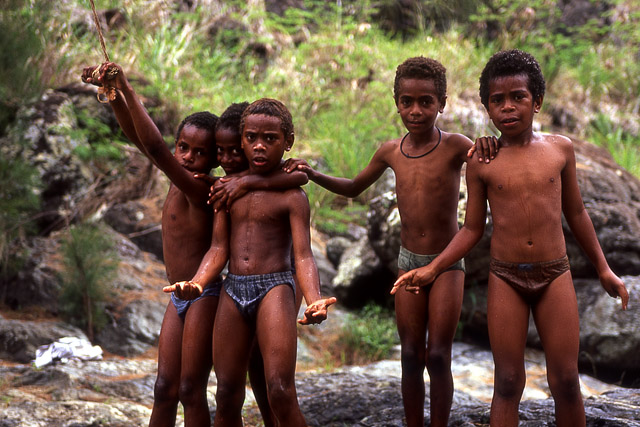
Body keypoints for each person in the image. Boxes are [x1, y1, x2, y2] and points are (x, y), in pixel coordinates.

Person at [391, 49, 629, 427]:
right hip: (506, 277)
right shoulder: (482, 160)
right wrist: (433, 268)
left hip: (555, 274)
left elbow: (577, 213)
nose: (508, 108)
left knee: (566, 380)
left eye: (518, 97)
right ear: (487, 108)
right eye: (497, 100)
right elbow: (471, 229)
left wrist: (604, 269)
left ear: (537, 101)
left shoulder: (559, 149)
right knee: (506, 381)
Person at [81, 64, 305, 427]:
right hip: (178, 293)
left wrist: (126, 86)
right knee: (163, 386)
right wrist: (114, 96)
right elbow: (140, 139)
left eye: (199, 152)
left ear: (216, 157)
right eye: (181, 148)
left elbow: (154, 146)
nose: (186, 157)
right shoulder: (184, 177)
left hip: (207, 293)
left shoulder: (202, 188)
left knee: (191, 388)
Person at [284, 56, 498, 427]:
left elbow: (487, 160)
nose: (415, 110)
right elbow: (353, 187)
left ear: (441, 103)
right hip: (407, 261)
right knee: (411, 354)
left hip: (446, 263)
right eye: (407, 102)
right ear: (396, 102)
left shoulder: (454, 147)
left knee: (438, 356)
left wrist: (488, 143)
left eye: (426, 102)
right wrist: (312, 173)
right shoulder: (390, 151)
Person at [164, 98, 336, 427]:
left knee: (280, 391)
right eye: (251, 138)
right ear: (241, 140)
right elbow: (218, 248)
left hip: (275, 287)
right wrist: (199, 282)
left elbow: (303, 253)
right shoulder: (227, 191)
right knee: (227, 393)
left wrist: (314, 299)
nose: (259, 147)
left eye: (270, 140)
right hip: (232, 288)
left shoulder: (292, 197)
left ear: (288, 142)